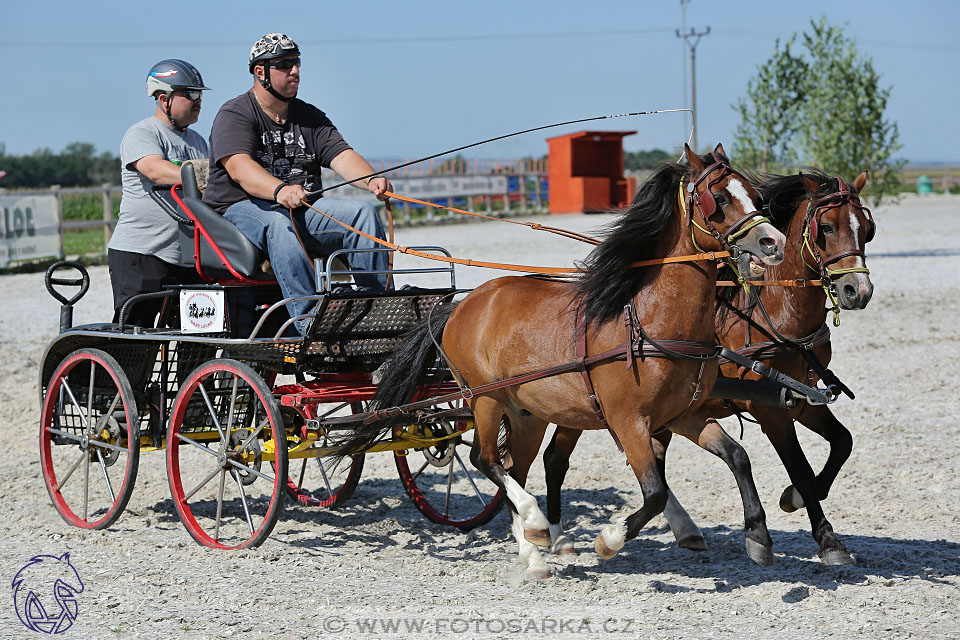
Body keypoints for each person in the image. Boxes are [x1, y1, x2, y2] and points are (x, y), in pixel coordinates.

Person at [204, 33, 392, 335]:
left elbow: (342, 156)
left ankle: (379, 310)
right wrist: (279, 191)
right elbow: (240, 168)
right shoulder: (235, 113)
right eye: (284, 65)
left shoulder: (308, 116)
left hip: (300, 208)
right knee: (280, 223)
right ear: (260, 72)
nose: (295, 71)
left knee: (363, 214)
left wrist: (370, 180)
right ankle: (310, 323)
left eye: (297, 63)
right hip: (240, 211)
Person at [108, 59, 210, 327]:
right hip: (142, 253)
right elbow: (155, 170)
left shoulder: (198, 141)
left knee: (199, 334)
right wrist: (207, 175)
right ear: (163, 98)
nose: (198, 100)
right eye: (190, 94)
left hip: (189, 257)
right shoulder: (142, 133)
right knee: (135, 337)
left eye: (199, 94)